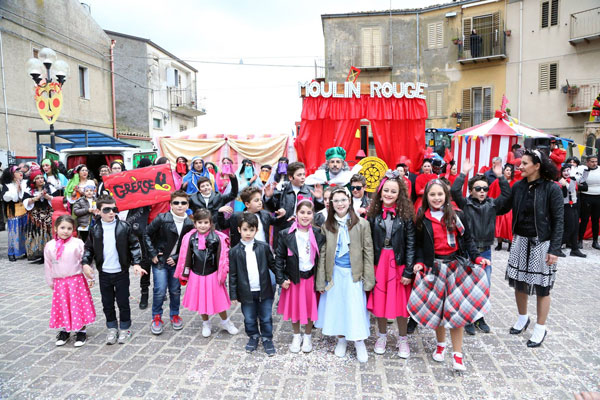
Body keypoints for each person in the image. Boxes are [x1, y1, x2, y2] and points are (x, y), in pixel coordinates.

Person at [408, 179, 491, 371]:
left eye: (440, 194)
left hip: (456, 269)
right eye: (432, 194)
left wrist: (477, 258)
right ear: (426, 197)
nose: (436, 198)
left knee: (456, 312)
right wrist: (419, 262)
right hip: (434, 268)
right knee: (439, 310)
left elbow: (468, 239)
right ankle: (440, 344)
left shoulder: (457, 216)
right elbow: (420, 245)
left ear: (446, 195)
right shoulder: (422, 218)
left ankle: (457, 354)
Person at [504, 149, 563, 348]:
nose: (519, 166)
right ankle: (522, 318)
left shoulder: (551, 188)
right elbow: (502, 206)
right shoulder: (518, 186)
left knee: (542, 288)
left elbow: (558, 220)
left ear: (537, 166)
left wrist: (554, 249)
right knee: (519, 283)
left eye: (524, 163)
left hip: (542, 243)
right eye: (520, 163)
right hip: (520, 239)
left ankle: (540, 327)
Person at [450, 159, 511, 335]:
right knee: (467, 285)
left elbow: (507, 196)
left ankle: (479, 317)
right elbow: (454, 191)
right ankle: (467, 318)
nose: (482, 191)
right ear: (471, 191)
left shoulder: (493, 205)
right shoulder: (466, 204)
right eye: (478, 188)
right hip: (468, 250)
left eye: (485, 188)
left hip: (485, 250)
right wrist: (463, 173)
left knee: (484, 285)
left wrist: (500, 177)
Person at [315, 187, 374, 363]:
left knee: (355, 308)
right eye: (336, 201)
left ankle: (358, 342)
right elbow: (324, 254)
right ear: (331, 204)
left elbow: (368, 251)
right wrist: (321, 280)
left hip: (354, 274)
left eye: (343, 200)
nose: (340, 203)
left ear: (349, 201)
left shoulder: (362, 224)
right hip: (334, 273)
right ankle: (341, 339)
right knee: (337, 307)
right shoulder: (327, 225)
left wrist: (368, 277)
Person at [82, 195, 145, 345]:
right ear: (98, 211)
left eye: (114, 209)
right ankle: (111, 327)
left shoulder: (124, 227)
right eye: (107, 209)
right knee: (107, 302)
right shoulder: (95, 229)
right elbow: (89, 248)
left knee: (123, 301)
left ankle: (125, 327)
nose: (111, 212)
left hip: (121, 272)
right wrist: (85, 263)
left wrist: (136, 263)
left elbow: (134, 246)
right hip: (104, 272)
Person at [366, 170, 416, 358]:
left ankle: (402, 339)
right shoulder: (373, 215)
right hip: (380, 263)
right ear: (380, 191)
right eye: (385, 190)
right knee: (380, 301)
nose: (388, 194)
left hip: (399, 263)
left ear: (399, 194)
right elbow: (368, 241)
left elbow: (411, 243)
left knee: (400, 303)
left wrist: (408, 271)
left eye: (393, 191)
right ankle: (381, 336)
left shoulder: (406, 216)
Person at [174, 209, 239, 337]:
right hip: (196, 274)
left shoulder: (217, 238)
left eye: (205, 222)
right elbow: (185, 256)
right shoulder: (190, 238)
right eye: (199, 222)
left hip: (213, 274)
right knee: (201, 301)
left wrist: (223, 272)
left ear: (210, 223)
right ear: (195, 223)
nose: (202, 225)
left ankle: (226, 322)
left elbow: (223, 257)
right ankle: (206, 323)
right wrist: (185, 273)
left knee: (218, 300)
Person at [276, 196, 325, 354]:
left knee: (310, 308)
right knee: (296, 308)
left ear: (313, 215)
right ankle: (296, 335)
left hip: (311, 277)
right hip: (294, 278)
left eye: (309, 212)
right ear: (296, 213)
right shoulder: (286, 234)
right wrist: (281, 278)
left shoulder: (318, 233)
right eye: (302, 212)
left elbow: (322, 258)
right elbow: (279, 258)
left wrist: (323, 280)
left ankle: (308, 335)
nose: (305, 216)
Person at [144, 190, 194, 335]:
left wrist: (177, 257)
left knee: (175, 290)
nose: (179, 205)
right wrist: (152, 253)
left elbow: (189, 245)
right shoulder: (162, 218)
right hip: (159, 261)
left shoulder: (189, 223)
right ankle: (157, 317)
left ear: (187, 205)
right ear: (170, 204)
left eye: (183, 203)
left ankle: (174, 314)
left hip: (175, 263)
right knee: (159, 290)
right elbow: (146, 233)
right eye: (176, 203)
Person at [229, 212, 277, 355]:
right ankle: (253, 336)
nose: (248, 233)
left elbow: (273, 266)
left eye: (251, 230)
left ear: (256, 230)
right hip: (246, 291)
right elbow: (233, 274)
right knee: (249, 317)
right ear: (239, 230)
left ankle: (267, 338)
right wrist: (233, 294)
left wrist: (282, 279)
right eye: (245, 230)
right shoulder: (234, 252)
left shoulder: (263, 247)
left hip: (264, 289)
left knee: (266, 317)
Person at [45, 216, 96, 347]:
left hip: (76, 281)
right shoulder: (50, 246)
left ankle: (81, 331)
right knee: (62, 306)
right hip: (60, 283)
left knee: (78, 305)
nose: (65, 231)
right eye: (62, 228)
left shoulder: (77, 243)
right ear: (56, 228)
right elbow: (48, 265)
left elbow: (86, 260)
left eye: (69, 228)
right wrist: (50, 281)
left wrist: (90, 276)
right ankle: (64, 330)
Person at [264, 161, 323, 248]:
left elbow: (317, 211)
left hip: (305, 231)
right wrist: (268, 197)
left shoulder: (310, 191)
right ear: (291, 177)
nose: (303, 177)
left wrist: (319, 199)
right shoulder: (281, 190)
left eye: (303, 174)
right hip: (284, 229)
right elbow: (272, 208)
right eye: (299, 175)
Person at [23, 169, 59, 262]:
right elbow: (25, 202)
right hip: (35, 215)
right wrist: (35, 198)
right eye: (38, 178)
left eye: (42, 178)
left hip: (48, 214)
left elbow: (56, 199)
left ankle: (49, 255)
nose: (41, 180)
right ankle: (39, 253)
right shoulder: (29, 190)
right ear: (34, 180)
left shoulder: (51, 188)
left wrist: (48, 197)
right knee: (37, 233)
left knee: (48, 233)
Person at [559, 165, 587, 258]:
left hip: (574, 205)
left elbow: (583, 180)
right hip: (566, 206)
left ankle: (574, 249)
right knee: (569, 228)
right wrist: (572, 177)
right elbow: (570, 190)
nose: (567, 173)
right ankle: (556, 247)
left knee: (575, 228)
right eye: (564, 171)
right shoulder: (561, 181)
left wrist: (586, 171)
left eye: (569, 170)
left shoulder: (573, 179)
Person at [1, 166, 27, 261]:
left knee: (24, 231)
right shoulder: (7, 185)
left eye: (20, 170)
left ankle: (25, 250)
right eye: (17, 171)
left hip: (24, 209)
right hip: (13, 211)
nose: (20, 172)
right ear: (12, 174)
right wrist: (16, 189)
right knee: (14, 232)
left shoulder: (24, 183)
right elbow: (5, 197)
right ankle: (11, 252)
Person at [492, 164, 518, 251]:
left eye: (510, 170)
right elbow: (492, 192)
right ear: (504, 171)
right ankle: (499, 243)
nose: (509, 172)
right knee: (499, 226)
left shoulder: (515, 182)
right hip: (500, 206)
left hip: (511, 207)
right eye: (507, 170)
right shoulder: (497, 181)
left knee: (509, 226)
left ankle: (510, 245)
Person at [578, 154, 600, 250]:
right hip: (586, 196)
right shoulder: (583, 170)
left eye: (596, 161)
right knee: (584, 219)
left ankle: (595, 241)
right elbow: (579, 182)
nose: (594, 163)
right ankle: (580, 240)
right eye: (592, 161)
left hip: (598, 197)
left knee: (596, 220)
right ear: (587, 162)